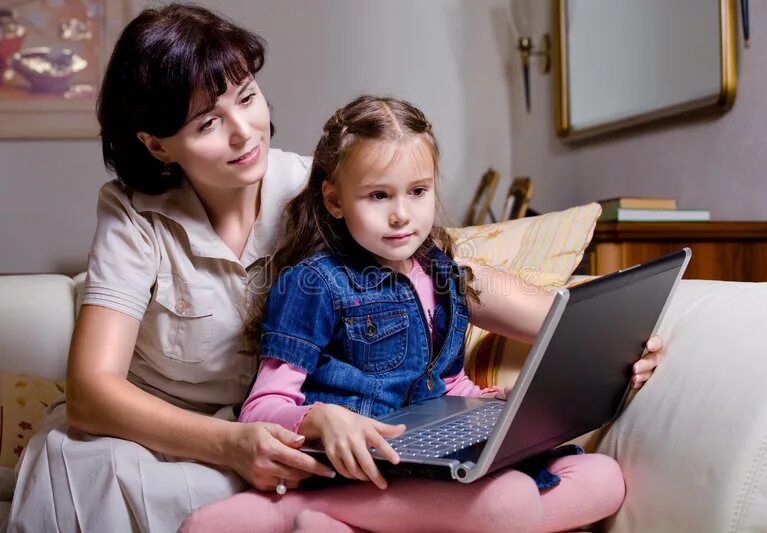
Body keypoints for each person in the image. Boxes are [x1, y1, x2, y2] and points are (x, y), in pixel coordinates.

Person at [5, 4, 665, 532]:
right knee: (150, 481)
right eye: (208, 121)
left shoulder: (310, 183)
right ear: (157, 143)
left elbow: (446, 276)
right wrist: (234, 444)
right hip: (167, 437)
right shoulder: (134, 213)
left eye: (247, 95)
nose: (244, 132)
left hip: (294, 438)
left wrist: (585, 336)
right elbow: (94, 393)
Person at [179, 96, 666, 532]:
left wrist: (497, 405)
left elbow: (443, 382)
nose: (401, 215)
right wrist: (319, 419)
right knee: (509, 502)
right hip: (364, 468)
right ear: (334, 199)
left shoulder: (443, 274)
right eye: (378, 196)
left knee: (603, 478)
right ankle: (300, 514)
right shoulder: (312, 283)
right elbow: (261, 407)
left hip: (432, 460)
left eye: (417, 191)